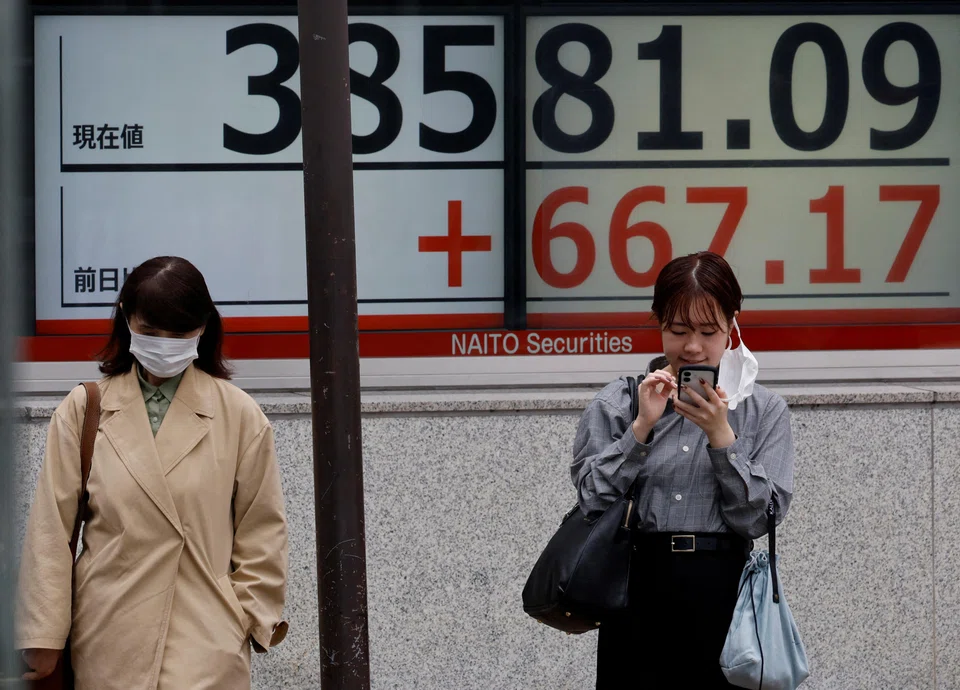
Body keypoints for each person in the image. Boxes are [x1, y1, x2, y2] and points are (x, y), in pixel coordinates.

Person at [16, 256, 289, 689]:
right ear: (126, 319)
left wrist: (244, 617)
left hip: (206, 639)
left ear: (203, 327)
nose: (163, 344)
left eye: (178, 333)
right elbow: (50, 528)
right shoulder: (84, 409)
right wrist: (44, 635)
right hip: (109, 634)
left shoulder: (239, 415)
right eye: (149, 331)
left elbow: (263, 531)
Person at [572, 251, 795, 688]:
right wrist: (639, 429)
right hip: (635, 588)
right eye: (677, 331)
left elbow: (760, 519)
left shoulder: (762, 409)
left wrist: (721, 438)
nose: (692, 346)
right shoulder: (619, 402)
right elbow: (590, 500)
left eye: (708, 331)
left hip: (724, 594)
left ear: (733, 324)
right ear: (658, 323)